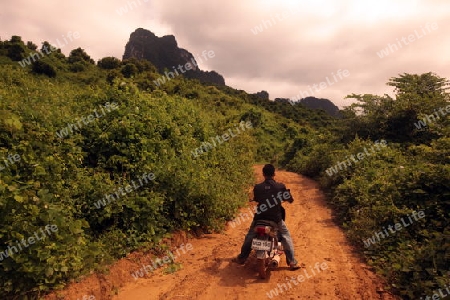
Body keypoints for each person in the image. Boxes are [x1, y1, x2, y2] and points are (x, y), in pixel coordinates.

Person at [232, 164, 301, 270]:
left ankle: (242, 257)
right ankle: (292, 262)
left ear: (263, 174)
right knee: (286, 235)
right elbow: (290, 199)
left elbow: (256, 198)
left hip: (260, 218)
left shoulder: (258, 187)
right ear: (274, 174)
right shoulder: (280, 186)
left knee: (250, 235)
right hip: (275, 219)